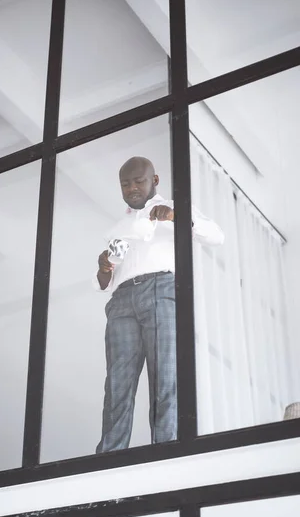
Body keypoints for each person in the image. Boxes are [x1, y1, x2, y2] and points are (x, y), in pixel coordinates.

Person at [95, 156, 224, 453]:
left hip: (161, 288)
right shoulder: (117, 228)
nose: (132, 188)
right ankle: (109, 456)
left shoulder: (173, 209)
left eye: (138, 181)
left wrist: (175, 216)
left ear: (154, 180)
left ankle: (166, 451)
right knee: (117, 384)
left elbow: (217, 237)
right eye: (125, 184)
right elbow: (104, 283)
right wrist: (103, 267)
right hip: (122, 300)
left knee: (166, 375)